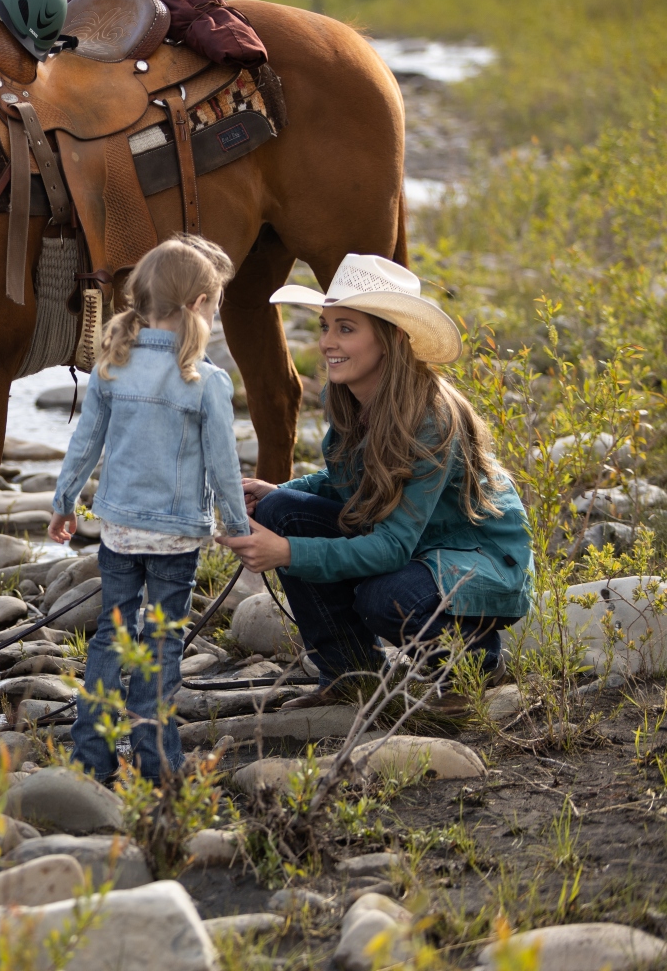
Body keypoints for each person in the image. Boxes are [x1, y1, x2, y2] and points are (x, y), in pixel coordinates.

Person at [216, 254, 533, 709]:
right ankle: (349, 674)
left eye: (346, 328)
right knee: (281, 511)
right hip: (418, 545)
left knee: (385, 597)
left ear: (390, 338)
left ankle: (472, 663)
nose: (327, 342)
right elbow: (347, 476)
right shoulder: (347, 398)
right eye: (326, 326)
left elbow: (391, 548)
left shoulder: (430, 418)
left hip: (473, 557)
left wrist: (286, 553)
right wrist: (285, 492)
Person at [49, 235, 251, 781]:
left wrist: (64, 501)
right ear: (198, 307)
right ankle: (157, 760)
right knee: (162, 643)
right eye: (213, 304)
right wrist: (235, 527)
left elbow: (85, 442)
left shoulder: (112, 365)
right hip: (176, 537)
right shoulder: (207, 380)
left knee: (112, 636)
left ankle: (91, 758)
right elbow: (223, 466)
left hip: (118, 530)